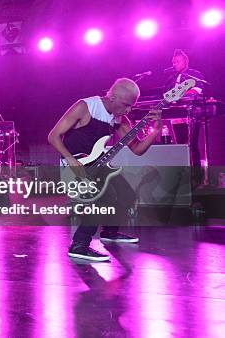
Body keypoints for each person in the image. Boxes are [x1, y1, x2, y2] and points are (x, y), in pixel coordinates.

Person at [48, 78, 161, 262]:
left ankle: (110, 232)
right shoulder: (85, 107)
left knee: (126, 194)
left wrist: (155, 131)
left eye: (131, 106)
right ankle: (79, 245)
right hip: (74, 166)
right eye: (126, 105)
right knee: (101, 200)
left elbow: (138, 149)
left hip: (97, 166)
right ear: (113, 97)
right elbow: (53, 136)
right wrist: (70, 159)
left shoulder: (120, 119)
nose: (128, 110)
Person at [165, 49, 205, 169]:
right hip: (176, 114)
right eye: (173, 62)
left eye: (177, 61)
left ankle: (197, 174)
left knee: (192, 144)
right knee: (180, 144)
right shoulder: (171, 79)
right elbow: (167, 95)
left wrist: (181, 96)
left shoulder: (194, 74)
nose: (174, 64)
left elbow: (198, 89)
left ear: (185, 61)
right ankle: (183, 173)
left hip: (191, 112)